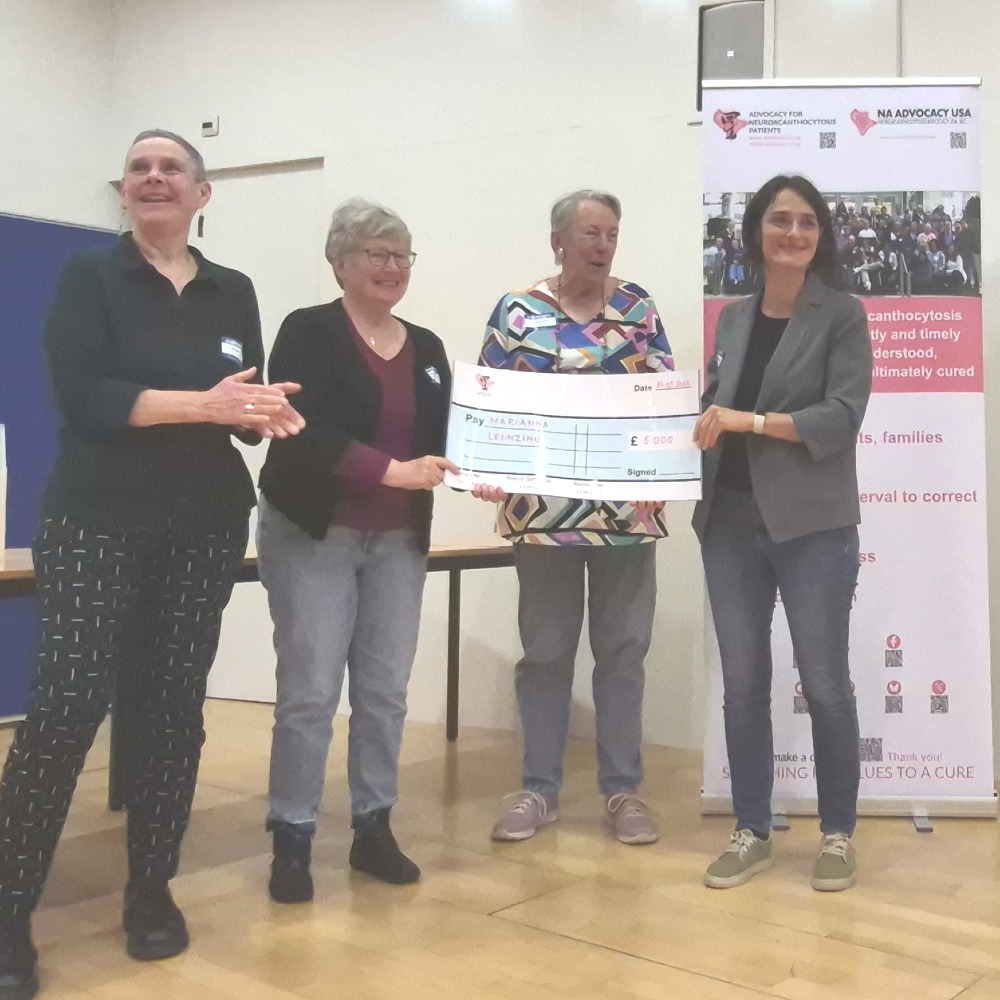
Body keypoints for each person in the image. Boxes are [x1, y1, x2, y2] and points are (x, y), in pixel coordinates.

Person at [0, 130, 304, 998]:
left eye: (173, 167)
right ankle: (10, 913)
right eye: (140, 168)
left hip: (202, 524)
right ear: (125, 194)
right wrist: (202, 405)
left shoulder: (231, 289)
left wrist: (258, 413)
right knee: (63, 711)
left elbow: (238, 404)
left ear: (203, 194)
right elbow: (84, 397)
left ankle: (151, 895)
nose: (156, 176)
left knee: (173, 711)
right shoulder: (89, 278)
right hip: (97, 519)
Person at [257, 198, 454, 902]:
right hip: (316, 534)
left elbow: (449, 439)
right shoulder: (307, 331)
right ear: (339, 262)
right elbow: (295, 427)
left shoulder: (427, 348)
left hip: (398, 540)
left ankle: (373, 827)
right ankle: (293, 834)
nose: (392, 267)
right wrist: (389, 470)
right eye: (377, 253)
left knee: (384, 693)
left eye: (402, 255)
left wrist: (499, 473)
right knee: (310, 693)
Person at [475, 190, 673, 846]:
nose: (602, 245)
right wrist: (489, 466)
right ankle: (539, 789)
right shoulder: (517, 312)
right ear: (558, 240)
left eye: (611, 233)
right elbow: (489, 400)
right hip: (543, 517)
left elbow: (664, 399)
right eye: (590, 233)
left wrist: (666, 471)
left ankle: (622, 792)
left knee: (623, 650)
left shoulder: (637, 308)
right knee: (546, 651)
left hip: (625, 512)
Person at [692, 174, 872, 892]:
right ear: (756, 232)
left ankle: (837, 834)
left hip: (812, 526)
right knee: (742, 686)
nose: (792, 233)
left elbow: (841, 416)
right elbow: (715, 404)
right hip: (729, 522)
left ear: (820, 235)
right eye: (778, 220)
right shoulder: (732, 317)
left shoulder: (843, 314)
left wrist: (751, 422)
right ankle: (751, 829)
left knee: (825, 684)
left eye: (805, 222)